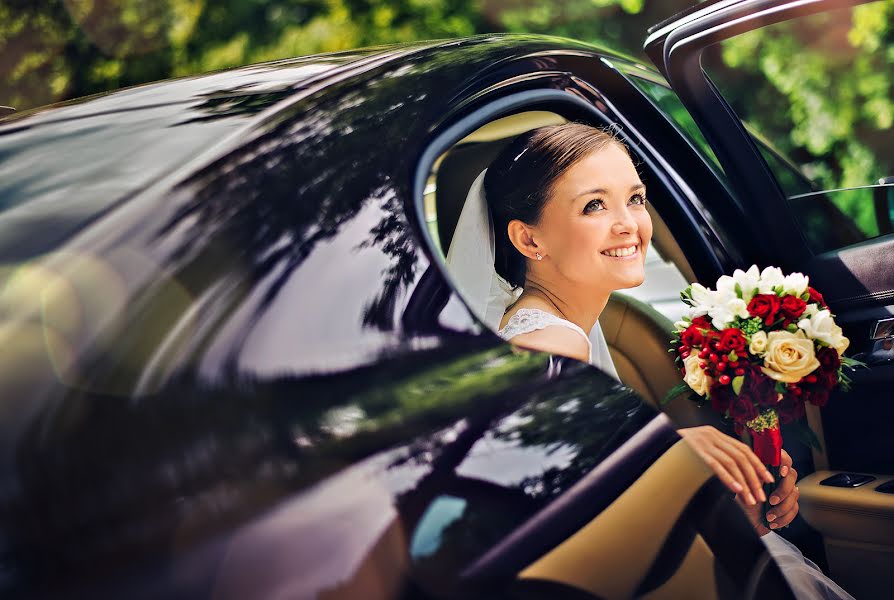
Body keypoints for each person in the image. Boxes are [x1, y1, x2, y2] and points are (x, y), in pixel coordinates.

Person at [446, 122, 854, 599]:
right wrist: (674, 453)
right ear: (529, 241)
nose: (628, 224)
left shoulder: (563, 323)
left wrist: (724, 498)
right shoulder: (552, 343)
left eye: (635, 198)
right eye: (594, 205)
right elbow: (553, 526)